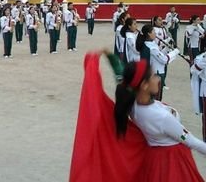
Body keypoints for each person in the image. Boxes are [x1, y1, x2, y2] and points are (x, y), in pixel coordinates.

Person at [70, 52, 206, 181]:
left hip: (154, 160)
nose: (158, 78)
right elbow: (191, 141)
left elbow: (121, 75)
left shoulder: (132, 104)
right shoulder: (162, 117)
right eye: (153, 76)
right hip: (174, 162)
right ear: (144, 85)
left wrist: (110, 56)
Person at [137, 24, 179, 100]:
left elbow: (159, 54)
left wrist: (166, 47)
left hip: (152, 72)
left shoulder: (149, 44)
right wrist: (175, 52)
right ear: (149, 34)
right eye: (154, 32)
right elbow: (164, 60)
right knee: (156, 98)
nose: (155, 34)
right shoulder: (151, 47)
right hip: (156, 74)